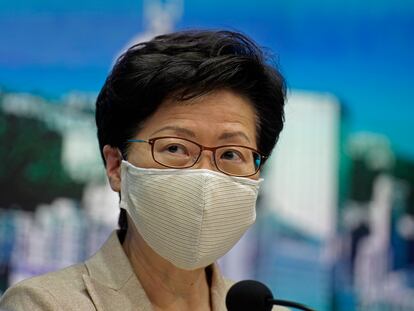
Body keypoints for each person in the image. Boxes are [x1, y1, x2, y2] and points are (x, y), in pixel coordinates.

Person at [0, 29, 286, 310]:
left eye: (230, 153)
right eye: (175, 148)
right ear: (116, 167)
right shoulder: (44, 304)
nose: (206, 176)